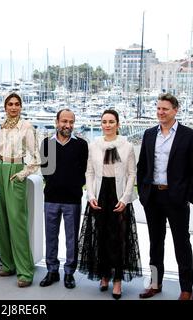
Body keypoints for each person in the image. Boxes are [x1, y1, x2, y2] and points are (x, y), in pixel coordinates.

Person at [137, 93, 193, 300]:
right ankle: (155, 284)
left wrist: (187, 196)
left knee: (181, 244)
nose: (160, 112)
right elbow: (142, 167)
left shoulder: (190, 136)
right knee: (155, 244)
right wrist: (143, 193)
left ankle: (186, 289)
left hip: (176, 199)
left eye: (165, 109)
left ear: (176, 110)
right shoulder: (149, 134)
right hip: (152, 198)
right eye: (158, 108)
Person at [77, 109, 142, 299]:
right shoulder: (94, 145)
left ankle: (118, 281)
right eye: (104, 121)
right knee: (101, 236)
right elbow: (89, 172)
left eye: (111, 121)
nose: (107, 125)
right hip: (99, 194)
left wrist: (125, 198)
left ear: (118, 124)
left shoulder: (127, 146)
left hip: (118, 194)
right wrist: (89, 195)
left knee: (119, 239)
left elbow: (132, 174)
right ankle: (104, 275)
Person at [0, 92, 41, 288]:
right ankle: (8, 264)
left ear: (21, 106)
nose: (13, 107)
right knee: (1, 220)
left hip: (14, 171)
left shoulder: (26, 127)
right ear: (5, 107)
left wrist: (20, 175)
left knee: (17, 223)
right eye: (10, 104)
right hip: (0, 170)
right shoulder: (3, 125)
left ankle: (25, 272)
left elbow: (36, 158)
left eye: (16, 104)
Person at [39, 109, 88, 289]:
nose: (67, 125)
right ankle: (52, 270)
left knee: (71, 238)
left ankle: (69, 273)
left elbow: (84, 170)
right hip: (51, 197)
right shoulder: (46, 143)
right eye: (64, 121)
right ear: (57, 122)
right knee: (51, 236)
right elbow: (44, 170)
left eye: (71, 122)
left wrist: (75, 185)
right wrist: (53, 182)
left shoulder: (81, 145)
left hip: (72, 199)